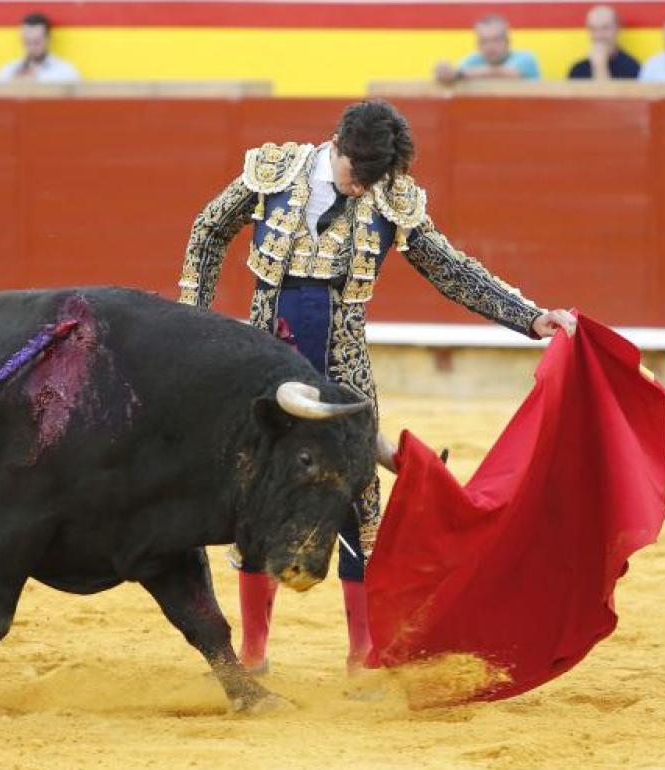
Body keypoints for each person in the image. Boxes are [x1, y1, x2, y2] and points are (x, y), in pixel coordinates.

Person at [176, 100, 576, 675]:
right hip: (265, 367)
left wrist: (529, 316)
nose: (362, 189)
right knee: (257, 500)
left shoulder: (390, 196)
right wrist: (195, 320)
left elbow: (450, 268)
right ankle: (255, 653)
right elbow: (209, 230)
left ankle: (362, 654)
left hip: (346, 376)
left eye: (373, 179)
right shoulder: (273, 173)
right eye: (355, 175)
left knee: (361, 508)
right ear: (334, 144)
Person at [434, 14, 541, 84]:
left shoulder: (526, 59)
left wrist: (459, 75)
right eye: (484, 41)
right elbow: (452, 78)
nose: (490, 46)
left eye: (496, 40)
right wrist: (445, 74)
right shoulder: (472, 61)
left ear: (508, 41)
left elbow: (503, 74)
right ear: (477, 45)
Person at [0, 12, 81, 83]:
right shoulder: (8, 71)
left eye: (37, 42)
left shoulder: (66, 72)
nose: (32, 47)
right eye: (27, 42)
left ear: (48, 39)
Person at [568, 5, 642, 80]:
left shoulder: (632, 68)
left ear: (618, 29)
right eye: (593, 29)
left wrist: (600, 66)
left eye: (605, 28)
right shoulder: (577, 70)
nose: (599, 35)